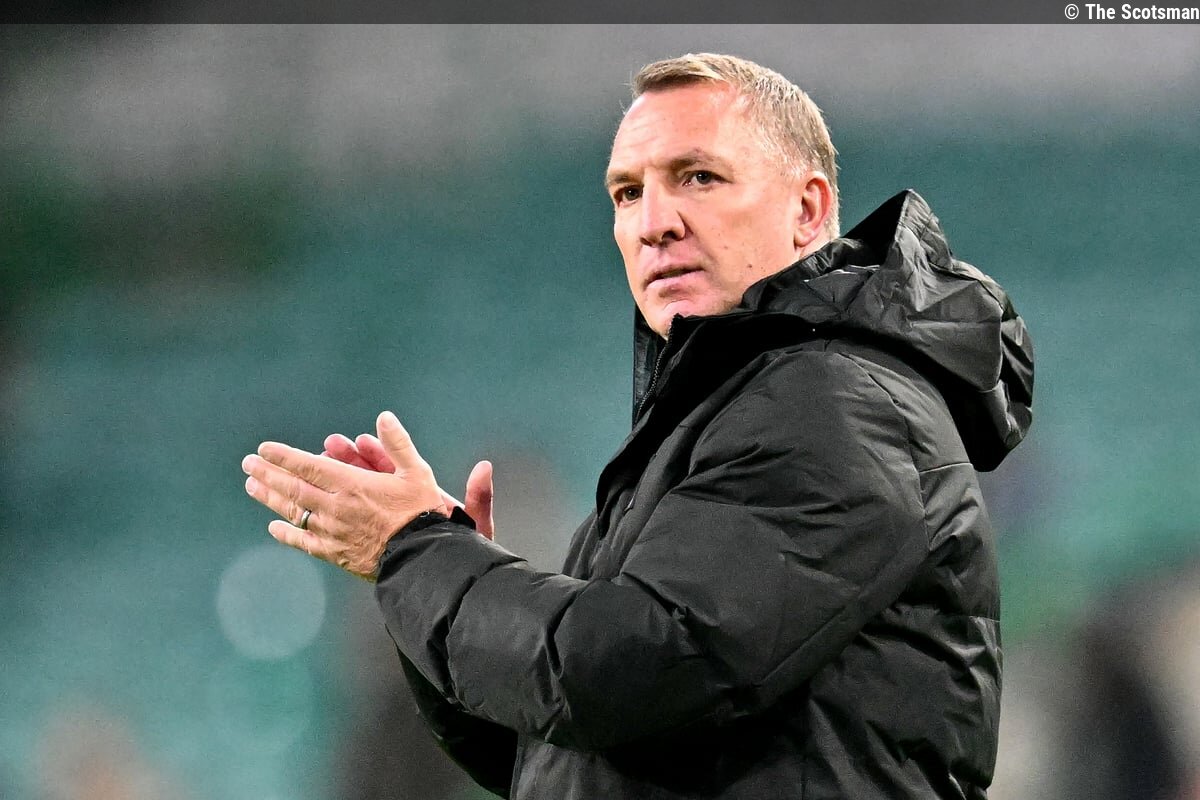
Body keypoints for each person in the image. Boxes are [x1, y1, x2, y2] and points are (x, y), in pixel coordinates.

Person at [241, 53, 1034, 799]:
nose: (653, 222)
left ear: (807, 209)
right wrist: (440, 569)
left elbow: (616, 676)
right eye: (627, 193)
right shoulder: (725, 415)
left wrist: (417, 551)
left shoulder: (837, 406)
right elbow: (563, 748)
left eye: (698, 177)